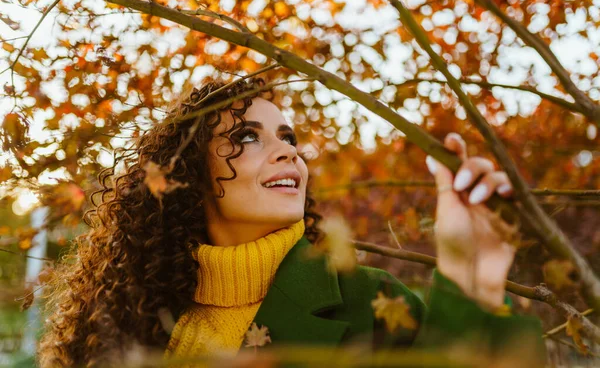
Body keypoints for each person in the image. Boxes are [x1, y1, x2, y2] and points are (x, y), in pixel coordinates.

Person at [37, 78, 545, 367]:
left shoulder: (371, 302)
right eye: (250, 137)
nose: (288, 152)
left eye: (289, 137)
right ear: (185, 174)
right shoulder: (132, 320)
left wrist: (474, 278)